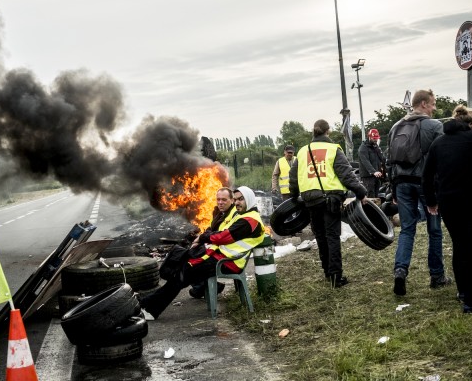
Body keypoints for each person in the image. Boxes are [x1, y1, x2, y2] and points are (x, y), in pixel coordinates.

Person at [139, 186, 265, 320]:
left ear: (249, 199)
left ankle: (150, 308)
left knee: (183, 274)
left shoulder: (249, 220)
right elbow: (217, 232)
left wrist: (203, 238)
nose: (237, 202)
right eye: (236, 199)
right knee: (181, 266)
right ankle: (148, 303)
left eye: (241, 199)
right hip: (220, 257)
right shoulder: (243, 216)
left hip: (228, 263)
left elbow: (223, 236)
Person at [423, 105, 472, 313]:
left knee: (459, 246)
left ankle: (463, 292)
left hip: (448, 203)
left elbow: (426, 176)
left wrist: (431, 201)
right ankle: (470, 303)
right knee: (471, 252)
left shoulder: (438, 143)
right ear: (471, 122)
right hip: (471, 202)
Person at [387, 89, 451, 296]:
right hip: (426, 185)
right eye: (432, 104)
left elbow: (389, 161)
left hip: (402, 184)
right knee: (434, 230)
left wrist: (393, 187)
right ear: (423, 104)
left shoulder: (395, 127)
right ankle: (437, 275)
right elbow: (443, 157)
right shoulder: (434, 126)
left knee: (407, 230)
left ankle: (400, 270)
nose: (434, 109)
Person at [289, 119, 367, 288]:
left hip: (310, 200)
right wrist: (361, 192)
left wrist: (294, 197)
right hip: (330, 198)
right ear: (328, 132)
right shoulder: (333, 149)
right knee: (332, 236)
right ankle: (336, 276)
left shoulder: (303, 151)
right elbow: (346, 175)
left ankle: (327, 271)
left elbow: (293, 177)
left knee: (320, 236)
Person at [188, 187, 237, 299]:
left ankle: (202, 287)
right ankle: (205, 287)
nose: (220, 202)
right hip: (216, 248)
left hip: (224, 254)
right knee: (188, 253)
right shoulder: (218, 212)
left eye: (224, 200)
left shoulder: (234, 214)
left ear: (232, 200)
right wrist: (201, 238)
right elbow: (210, 229)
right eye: (218, 199)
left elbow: (220, 235)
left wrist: (201, 239)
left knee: (189, 260)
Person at [358, 128, 386, 198]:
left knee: (376, 196)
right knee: (370, 195)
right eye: (374, 138)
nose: (375, 140)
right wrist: (373, 171)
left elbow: (382, 158)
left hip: (377, 175)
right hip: (368, 176)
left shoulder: (375, 146)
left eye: (376, 138)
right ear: (369, 137)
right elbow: (365, 161)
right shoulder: (363, 148)